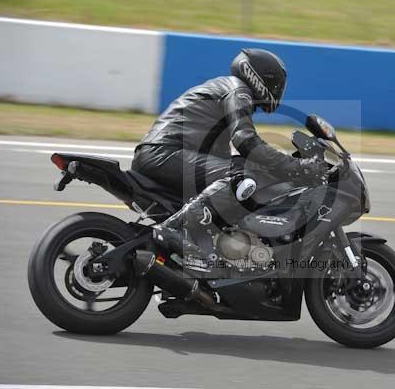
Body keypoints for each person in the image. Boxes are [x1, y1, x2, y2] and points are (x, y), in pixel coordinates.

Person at [132, 48, 327, 271]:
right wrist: (295, 166)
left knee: (242, 171)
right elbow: (245, 140)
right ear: (260, 77)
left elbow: (235, 152)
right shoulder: (238, 90)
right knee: (241, 176)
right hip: (165, 153)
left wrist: (280, 167)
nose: (278, 90)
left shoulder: (229, 89)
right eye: (276, 84)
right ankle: (175, 229)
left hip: (167, 153)